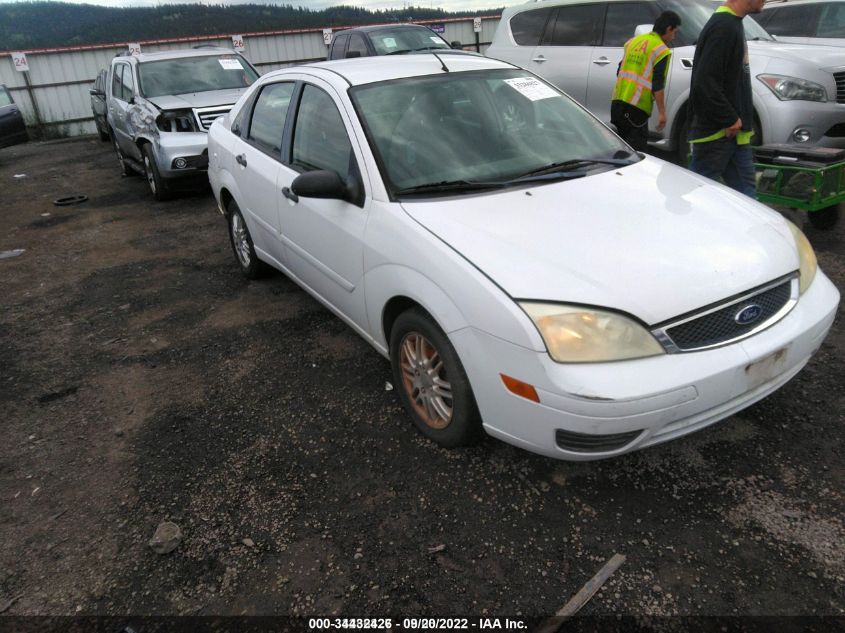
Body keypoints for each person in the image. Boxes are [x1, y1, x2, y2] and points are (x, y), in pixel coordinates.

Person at [688, 0, 766, 197]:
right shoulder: (724, 26)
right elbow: (704, 82)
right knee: (696, 196)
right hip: (719, 134)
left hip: (734, 134)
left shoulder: (733, 23)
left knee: (747, 201)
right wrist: (729, 117)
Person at [610, 11, 681, 152]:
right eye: (675, 32)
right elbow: (658, 84)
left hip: (617, 104)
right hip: (636, 109)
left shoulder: (633, 42)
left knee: (621, 151)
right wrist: (662, 112)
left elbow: (619, 70)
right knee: (636, 155)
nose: (674, 37)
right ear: (668, 29)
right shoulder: (661, 50)